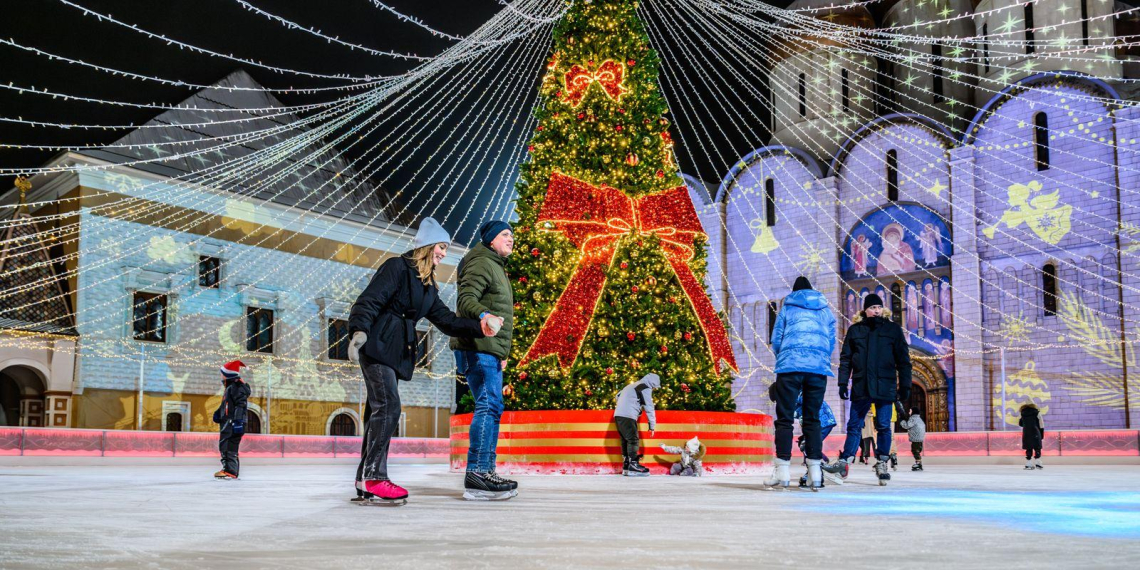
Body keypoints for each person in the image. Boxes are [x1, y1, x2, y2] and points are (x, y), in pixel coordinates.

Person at [348, 217, 497, 505]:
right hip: (376, 344)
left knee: (379, 410)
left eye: (446, 249)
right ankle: (374, 477)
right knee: (389, 407)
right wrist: (359, 331)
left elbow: (448, 321)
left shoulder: (427, 286)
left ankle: (364, 478)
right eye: (441, 247)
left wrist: (480, 326)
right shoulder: (397, 267)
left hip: (394, 352)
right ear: (427, 246)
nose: (443, 253)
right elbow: (370, 300)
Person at [452, 220, 517, 500]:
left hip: (488, 348)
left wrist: (500, 353)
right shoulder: (481, 262)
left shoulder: (495, 265)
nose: (511, 238)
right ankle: (478, 473)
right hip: (477, 345)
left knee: (492, 406)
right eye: (505, 234)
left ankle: (485, 471)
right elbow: (466, 299)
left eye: (512, 235)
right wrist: (484, 315)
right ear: (491, 239)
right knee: (489, 405)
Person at [823, 293, 912, 486]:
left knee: (883, 426)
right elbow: (846, 359)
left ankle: (882, 462)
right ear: (865, 310)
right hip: (861, 385)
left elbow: (903, 360)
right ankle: (845, 462)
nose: (876, 310)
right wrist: (842, 382)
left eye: (879, 307)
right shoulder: (855, 330)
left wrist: (905, 385)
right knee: (854, 425)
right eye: (872, 307)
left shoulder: (893, 329)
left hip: (885, 385)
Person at [763, 276, 837, 490]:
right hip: (817, 368)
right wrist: (819, 356)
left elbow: (777, 338)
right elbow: (831, 340)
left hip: (790, 367)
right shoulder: (825, 310)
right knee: (812, 419)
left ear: (794, 292)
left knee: (785, 419)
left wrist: (784, 356)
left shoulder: (787, 308)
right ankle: (815, 472)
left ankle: (782, 471)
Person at [614, 373, 661, 477]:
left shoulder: (631, 385)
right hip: (628, 415)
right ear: (652, 384)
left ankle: (626, 465)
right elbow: (649, 407)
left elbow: (617, 396)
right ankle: (633, 465)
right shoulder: (645, 387)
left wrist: (626, 405)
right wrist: (652, 425)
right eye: (654, 387)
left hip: (618, 415)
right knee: (633, 440)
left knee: (625, 440)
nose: (653, 389)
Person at [212, 360, 249, 480]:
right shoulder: (230, 387)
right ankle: (228, 469)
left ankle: (230, 470)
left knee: (229, 446)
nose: (221, 376)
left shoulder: (236, 387)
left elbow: (240, 405)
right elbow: (227, 405)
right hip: (228, 422)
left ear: (228, 374)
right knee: (225, 445)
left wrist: (238, 421)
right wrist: (219, 413)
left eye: (222, 373)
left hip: (233, 422)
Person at [1019, 403, 1045, 470]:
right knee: (1037, 447)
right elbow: (1041, 424)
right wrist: (1042, 434)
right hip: (1036, 431)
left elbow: (1020, 424)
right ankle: (1038, 462)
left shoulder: (1022, 413)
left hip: (1026, 432)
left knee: (1028, 448)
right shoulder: (1037, 413)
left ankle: (1029, 463)